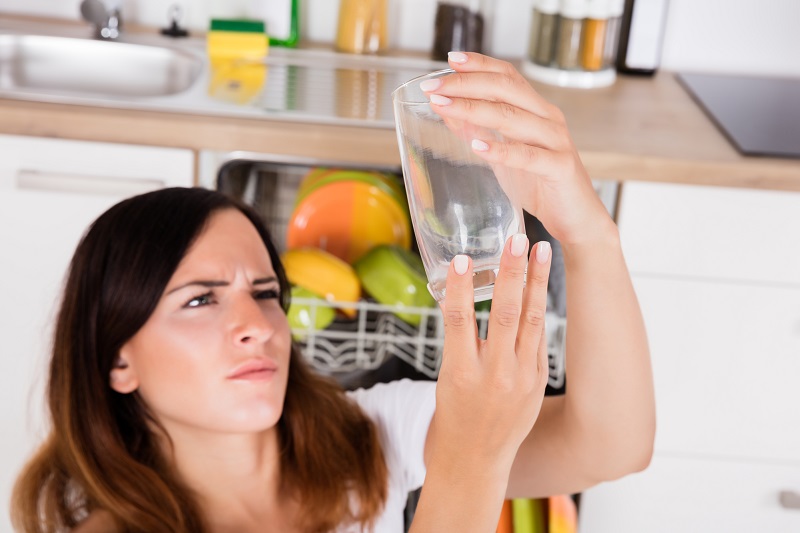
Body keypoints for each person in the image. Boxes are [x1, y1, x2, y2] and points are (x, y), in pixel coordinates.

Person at [11, 52, 655, 533]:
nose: (257, 325)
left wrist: (589, 233)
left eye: (265, 291)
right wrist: (471, 459)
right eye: (201, 299)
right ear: (116, 359)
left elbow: (607, 446)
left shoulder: (362, 439)